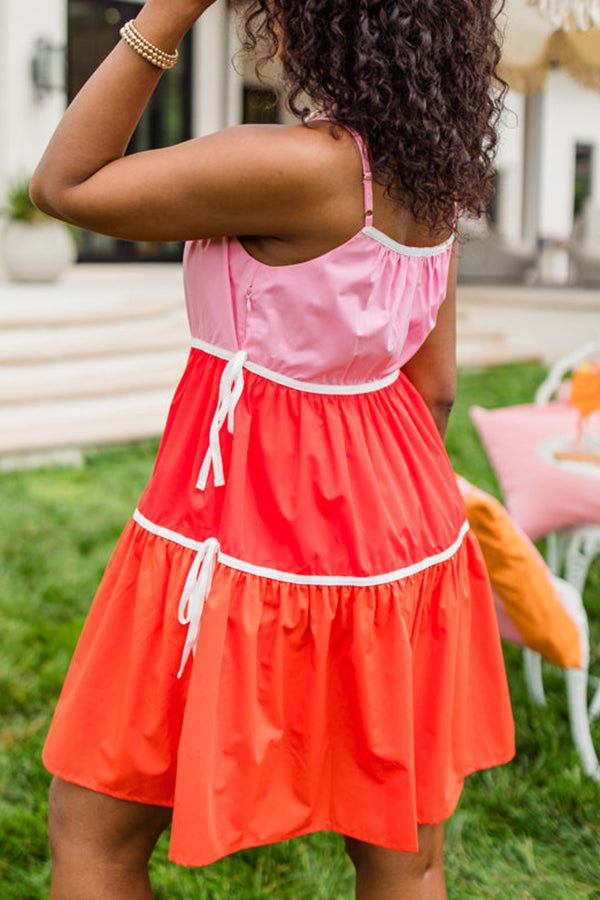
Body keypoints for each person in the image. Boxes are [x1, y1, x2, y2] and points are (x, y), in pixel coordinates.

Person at [30, 1, 515, 897]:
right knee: (404, 852)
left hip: (238, 524)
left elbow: (66, 184)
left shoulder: (295, 165)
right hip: (404, 530)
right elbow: (434, 385)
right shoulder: (435, 174)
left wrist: (164, 15)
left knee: (93, 820)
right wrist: (377, 527)